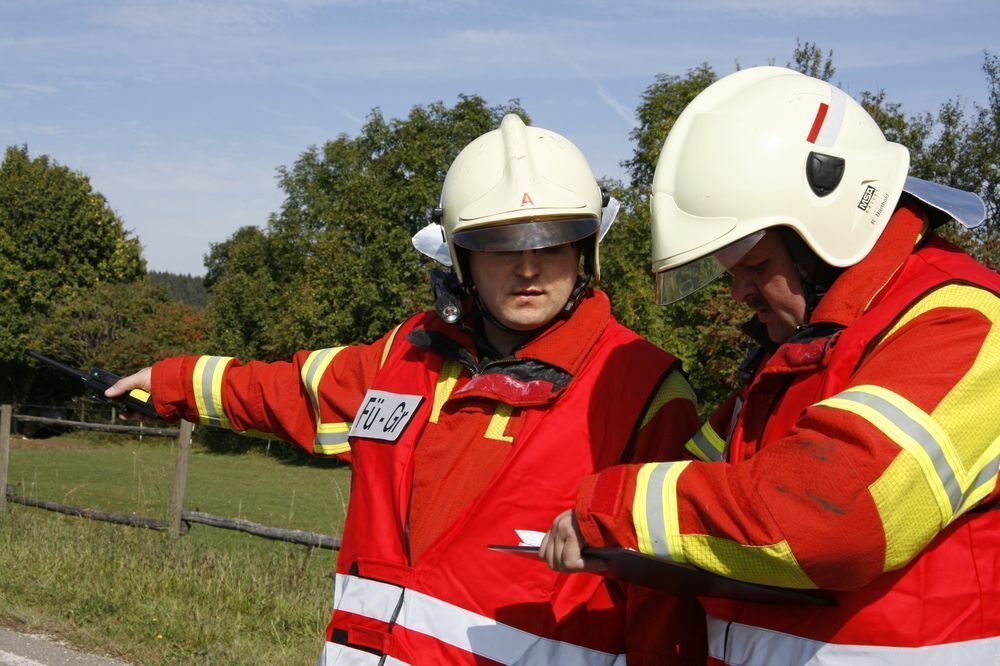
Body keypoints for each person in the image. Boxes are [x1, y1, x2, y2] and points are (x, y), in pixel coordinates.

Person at [109, 114, 705, 664]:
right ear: (460, 256)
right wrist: (169, 381)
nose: (528, 269)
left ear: (585, 249)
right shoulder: (407, 353)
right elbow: (288, 391)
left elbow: (668, 604)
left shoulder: (643, 390)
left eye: (550, 244)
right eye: (501, 247)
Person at [541, 67, 1000, 664]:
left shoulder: (962, 324)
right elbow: (704, 471)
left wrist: (612, 508)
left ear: (824, 229)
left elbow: (832, 518)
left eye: (753, 265)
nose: (740, 294)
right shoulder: (806, 348)